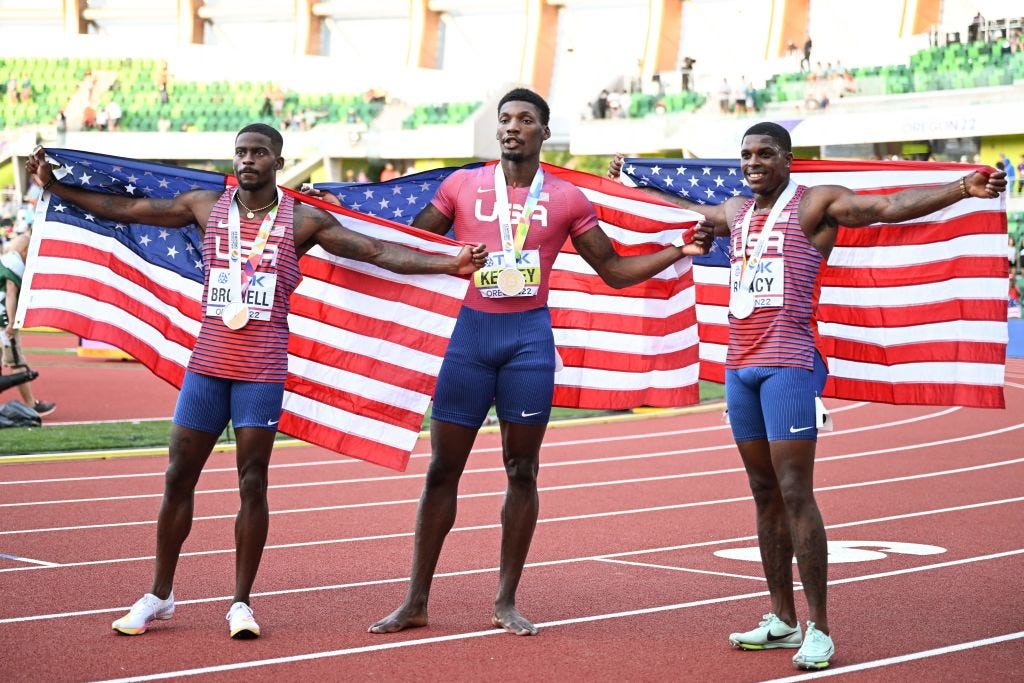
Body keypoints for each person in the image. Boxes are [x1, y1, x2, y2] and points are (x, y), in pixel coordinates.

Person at [25, 123, 487, 640]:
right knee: (179, 476)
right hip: (207, 364)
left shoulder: (303, 219)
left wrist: (449, 263)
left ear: (278, 162)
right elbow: (130, 211)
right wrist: (57, 187)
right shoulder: (204, 204)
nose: (248, 160)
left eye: (259, 153)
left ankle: (240, 603)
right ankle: (159, 594)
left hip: (261, 367)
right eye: (242, 152)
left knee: (252, 482)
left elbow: (373, 252)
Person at [309, 88, 709, 637]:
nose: (512, 127)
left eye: (525, 120)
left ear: (544, 132)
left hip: (528, 342)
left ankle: (506, 601)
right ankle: (415, 600)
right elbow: (404, 241)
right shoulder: (460, 186)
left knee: (522, 470)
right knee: (442, 469)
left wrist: (678, 252)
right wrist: (334, 211)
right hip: (468, 338)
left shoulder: (567, 198)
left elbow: (613, 271)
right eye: (504, 120)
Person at [608, 122, 1006, 670]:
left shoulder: (814, 204)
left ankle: (818, 626)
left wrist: (961, 188)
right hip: (740, 366)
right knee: (762, 490)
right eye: (746, 155)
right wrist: (628, 185)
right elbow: (676, 210)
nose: (753, 163)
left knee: (795, 490)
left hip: (789, 364)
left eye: (764, 154)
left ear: (787, 160)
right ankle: (781, 619)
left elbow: (887, 206)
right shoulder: (733, 213)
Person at [1, 224, 56, 416]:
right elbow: (10, 294)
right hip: (3, 321)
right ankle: (32, 405)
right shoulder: (13, 267)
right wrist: (12, 323)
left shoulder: (7, 258)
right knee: (17, 362)